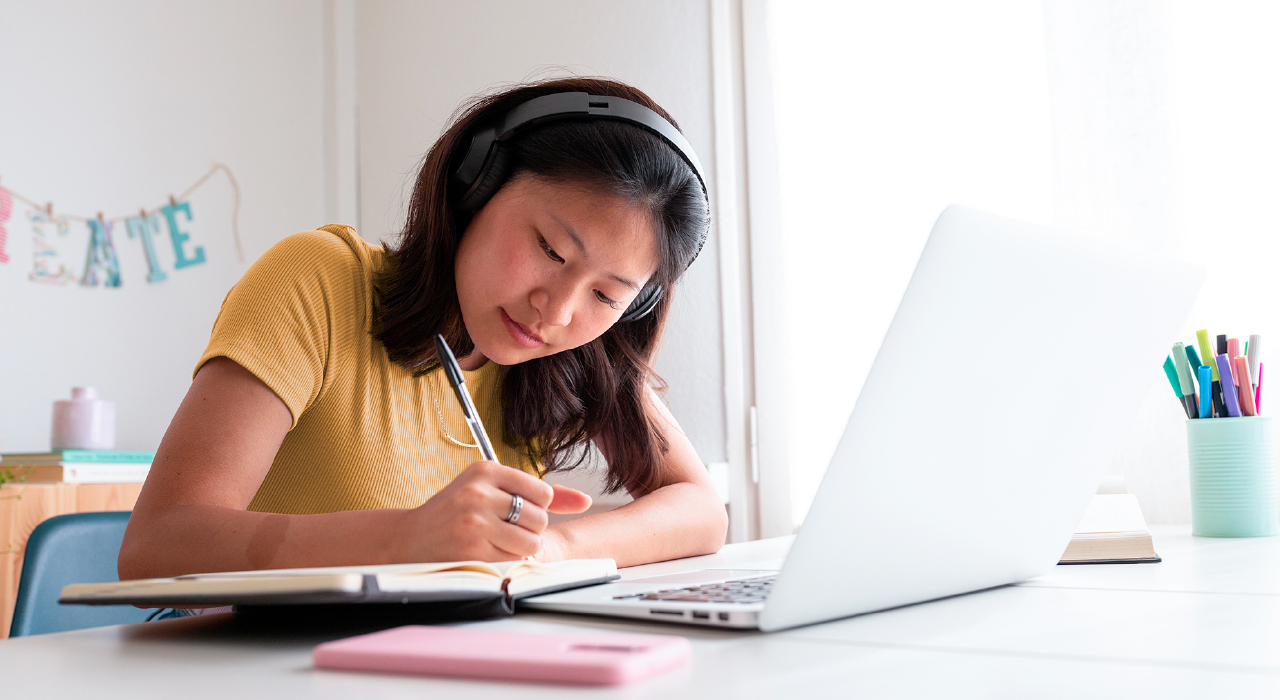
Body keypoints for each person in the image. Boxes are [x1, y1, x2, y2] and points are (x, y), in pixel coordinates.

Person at [118, 77, 727, 580]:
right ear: (475, 184)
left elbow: (701, 509)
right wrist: (407, 537)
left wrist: (553, 551)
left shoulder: (571, 355)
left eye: (605, 294)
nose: (559, 311)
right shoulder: (318, 280)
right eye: (549, 249)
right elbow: (156, 546)